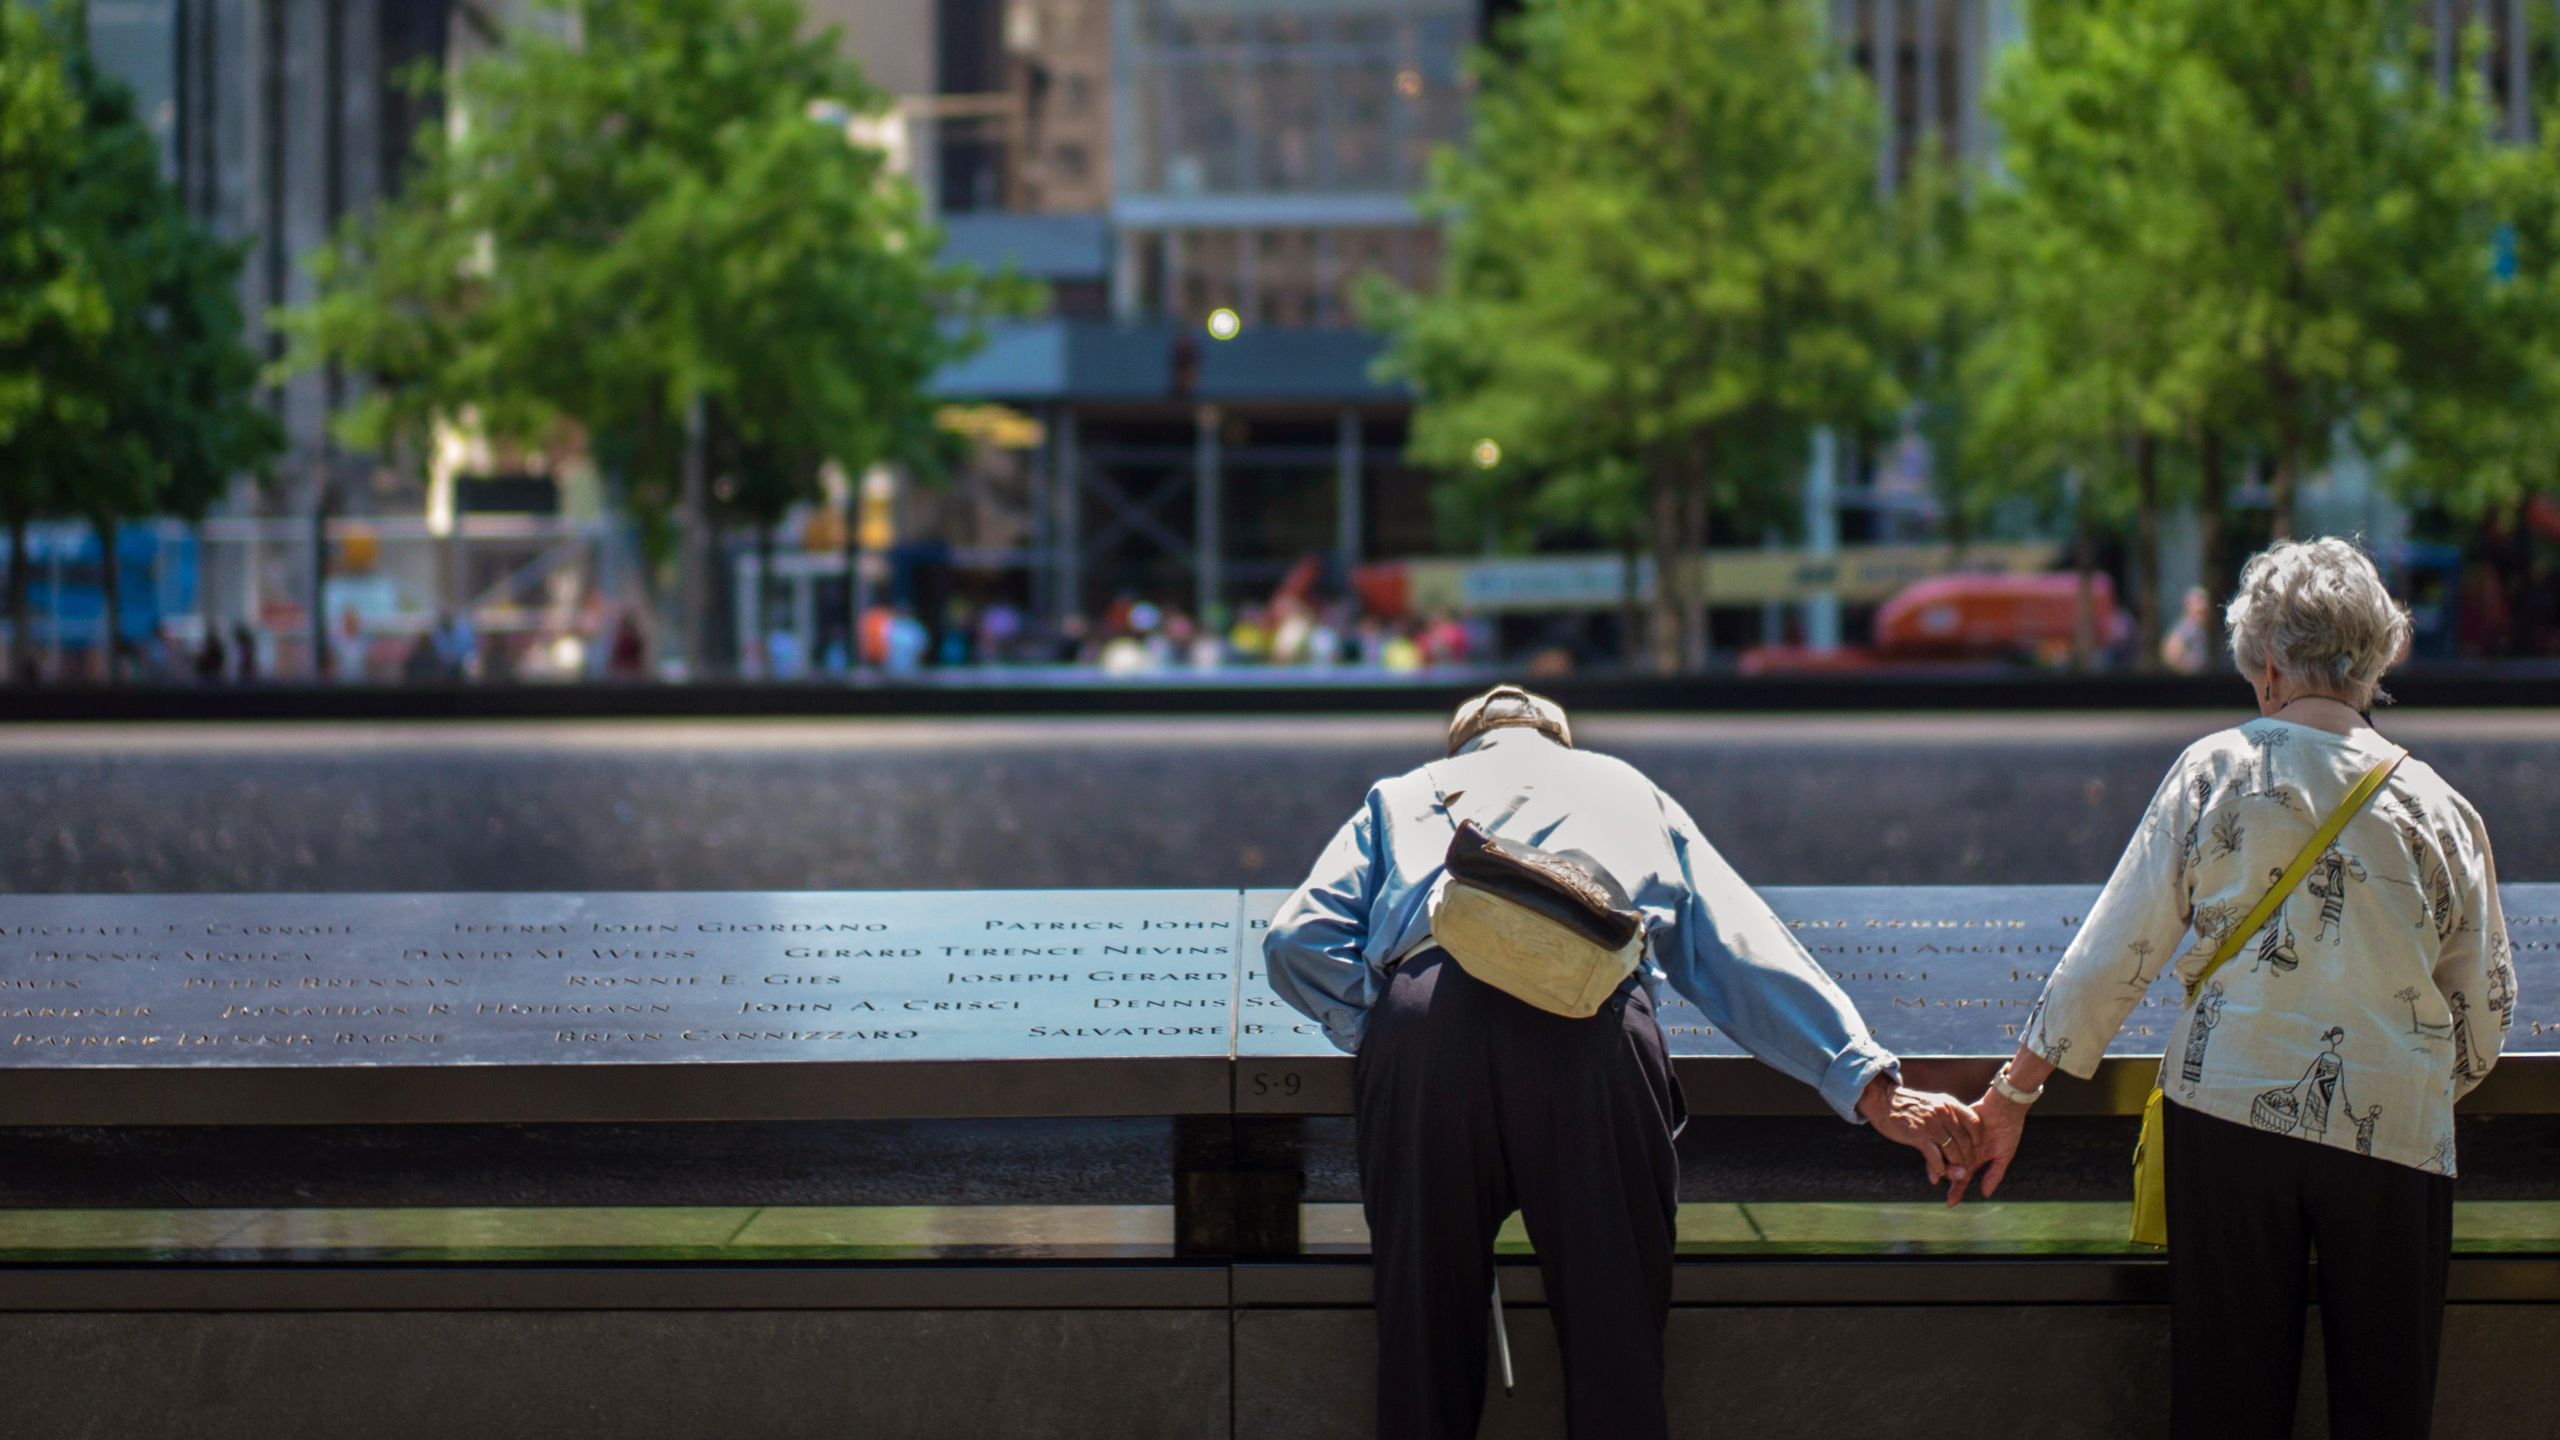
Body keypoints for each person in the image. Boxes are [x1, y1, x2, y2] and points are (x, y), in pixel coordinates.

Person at [1265, 685, 1982, 1440]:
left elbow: (1295, 940)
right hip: (1590, 1033)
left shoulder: (1405, 794)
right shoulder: (1626, 788)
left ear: (1462, 746)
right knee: (1616, 1342)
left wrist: (1379, 1023)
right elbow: (1738, 948)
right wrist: (1867, 1083)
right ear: (1560, 740)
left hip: (1428, 1024)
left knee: (1422, 1343)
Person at [1966, 538, 2515, 1440]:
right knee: (2387, 1401)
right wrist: (2399, 1076)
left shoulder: (2217, 771)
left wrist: (2012, 1093)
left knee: (2226, 1401)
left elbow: (2112, 955)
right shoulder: (2443, 809)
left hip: (2226, 1120)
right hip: (2396, 1128)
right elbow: (2484, 1017)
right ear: (2375, 658)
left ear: (2266, 664)